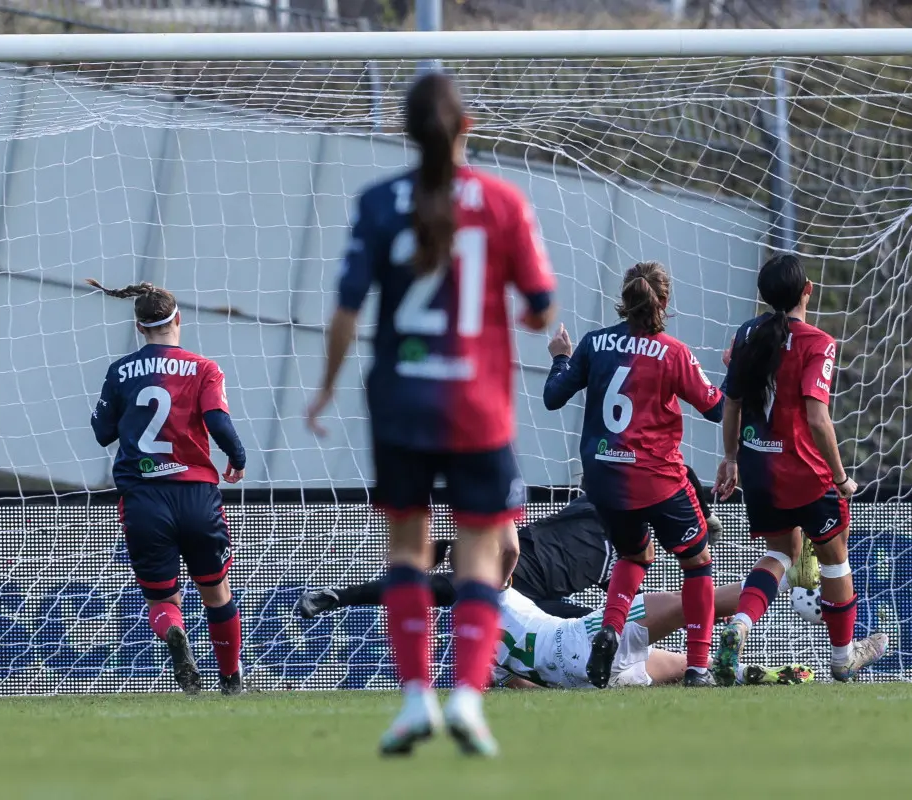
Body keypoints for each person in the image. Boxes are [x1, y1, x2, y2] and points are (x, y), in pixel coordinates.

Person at [305, 72, 556, 757]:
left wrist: (325, 391)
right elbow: (539, 308)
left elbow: (346, 314)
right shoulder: (504, 203)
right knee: (484, 552)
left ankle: (416, 699)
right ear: (467, 126)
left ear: (404, 133)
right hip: (478, 406)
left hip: (399, 405)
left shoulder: (379, 202)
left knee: (407, 551)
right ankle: (468, 703)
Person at [543, 262, 723, 688]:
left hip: (603, 480)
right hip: (656, 478)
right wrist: (738, 373)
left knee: (634, 555)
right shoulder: (674, 353)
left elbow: (553, 397)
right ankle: (698, 666)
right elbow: (717, 408)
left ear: (624, 300)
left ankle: (610, 630)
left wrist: (560, 357)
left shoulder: (593, 343)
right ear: (664, 302)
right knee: (697, 564)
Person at [712, 254, 888, 684]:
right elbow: (816, 417)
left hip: (757, 467)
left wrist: (732, 458)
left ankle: (739, 626)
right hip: (806, 474)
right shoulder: (818, 342)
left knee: (780, 555)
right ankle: (843, 658)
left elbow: (730, 403)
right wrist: (842, 476)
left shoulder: (745, 334)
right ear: (807, 290)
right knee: (834, 560)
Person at [88, 280, 247, 696]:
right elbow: (218, 423)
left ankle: (176, 636)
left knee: (163, 601)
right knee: (216, 593)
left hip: (142, 498)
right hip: (195, 494)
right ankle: (230, 680)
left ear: (139, 328)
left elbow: (102, 432)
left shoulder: (120, 371)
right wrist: (238, 457)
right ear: (178, 319)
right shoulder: (204, 368)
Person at [295, 474, 723, 623]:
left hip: (541, 592)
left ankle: (708, 638)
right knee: (604, 631)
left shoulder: (606, 513)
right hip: (535, 610)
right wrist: (342, 597)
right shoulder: (505, 593)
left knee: (619, 624)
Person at [492, 586, 814, 690]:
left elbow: (521, 687)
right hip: (584, 638)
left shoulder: (476, 646)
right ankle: (783, 576)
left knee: (687, 666)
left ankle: (744, 673)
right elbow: (508, 550)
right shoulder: (498, 591)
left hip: (586, 682)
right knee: (690, 600)